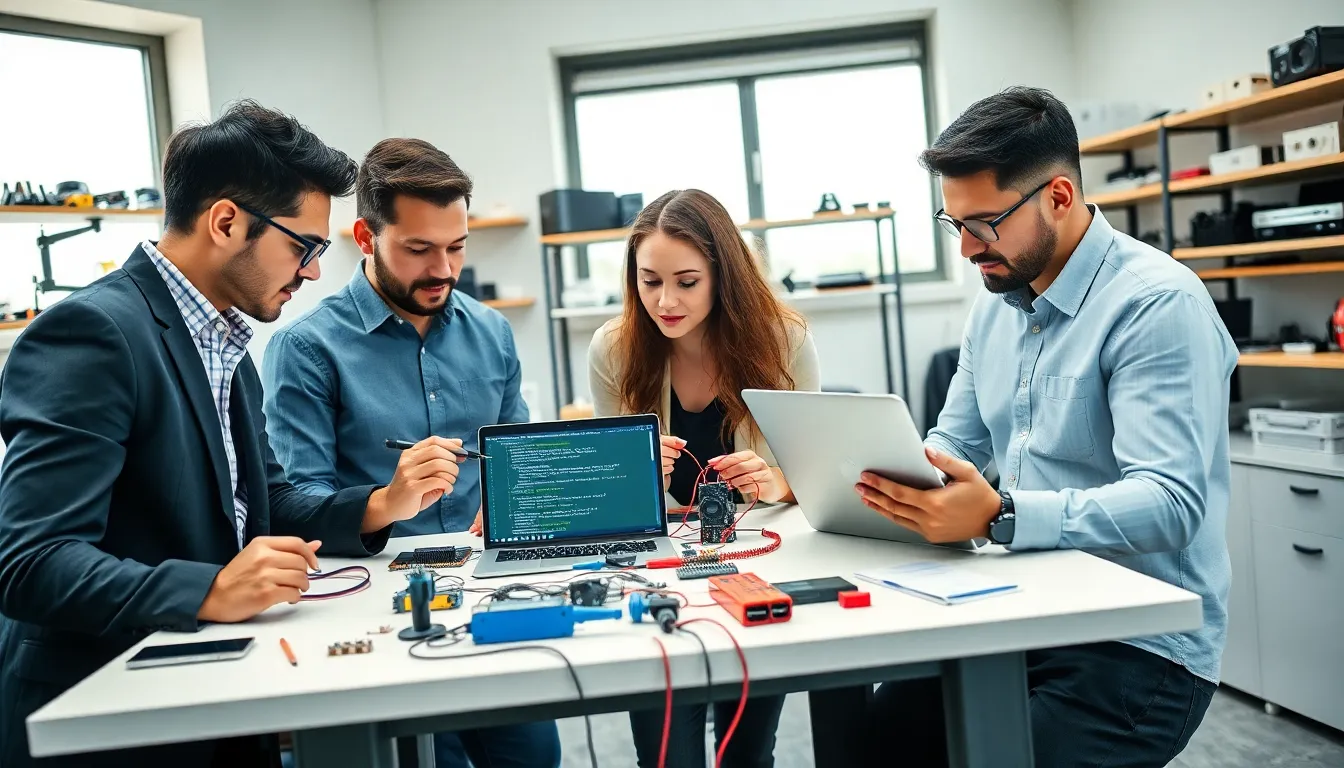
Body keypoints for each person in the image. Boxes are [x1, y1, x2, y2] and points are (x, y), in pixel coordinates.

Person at [0, 101, 463, 768]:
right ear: (226, 221)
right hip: (108, 721)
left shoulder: (226, 342)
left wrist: (379, 505)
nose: (309, 273)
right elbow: (33, 562)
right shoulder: (93, 335)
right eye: (303, 247)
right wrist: (208, 590)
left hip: (209, 693)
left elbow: (262, 500)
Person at [855, 87, 1234, 766]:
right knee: (875, 736)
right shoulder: (995, 303)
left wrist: (999, 514)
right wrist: (864, 479)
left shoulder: (1157, 305)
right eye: (954, 223)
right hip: (1023, 606)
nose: (968, 249)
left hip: (1140, 646)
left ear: (1059, 197)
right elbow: (954, 446)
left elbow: (1171, 504)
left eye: (985, 223)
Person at [260, 137, 559, 768]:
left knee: (534, 757)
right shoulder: (307, 350)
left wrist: (521, 499)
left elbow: (517, 465)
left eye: (456, 246)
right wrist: (388, 502)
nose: (444, 269)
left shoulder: (492, 331)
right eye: (420, 250)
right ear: (366, 237)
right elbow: (297, 507)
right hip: (380, 611)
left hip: (492, 594)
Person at [587, 189, 819, 768]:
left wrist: (772, 482)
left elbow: (815, 472)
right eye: (649, 281)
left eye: (686, 282)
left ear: (724, 275)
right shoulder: (613, 350)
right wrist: (629, 477)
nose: (665, 300)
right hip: (659, 570)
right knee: (667, 755)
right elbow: (608, 493)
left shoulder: (784, 340)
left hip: (761, 564)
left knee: (747, 753)